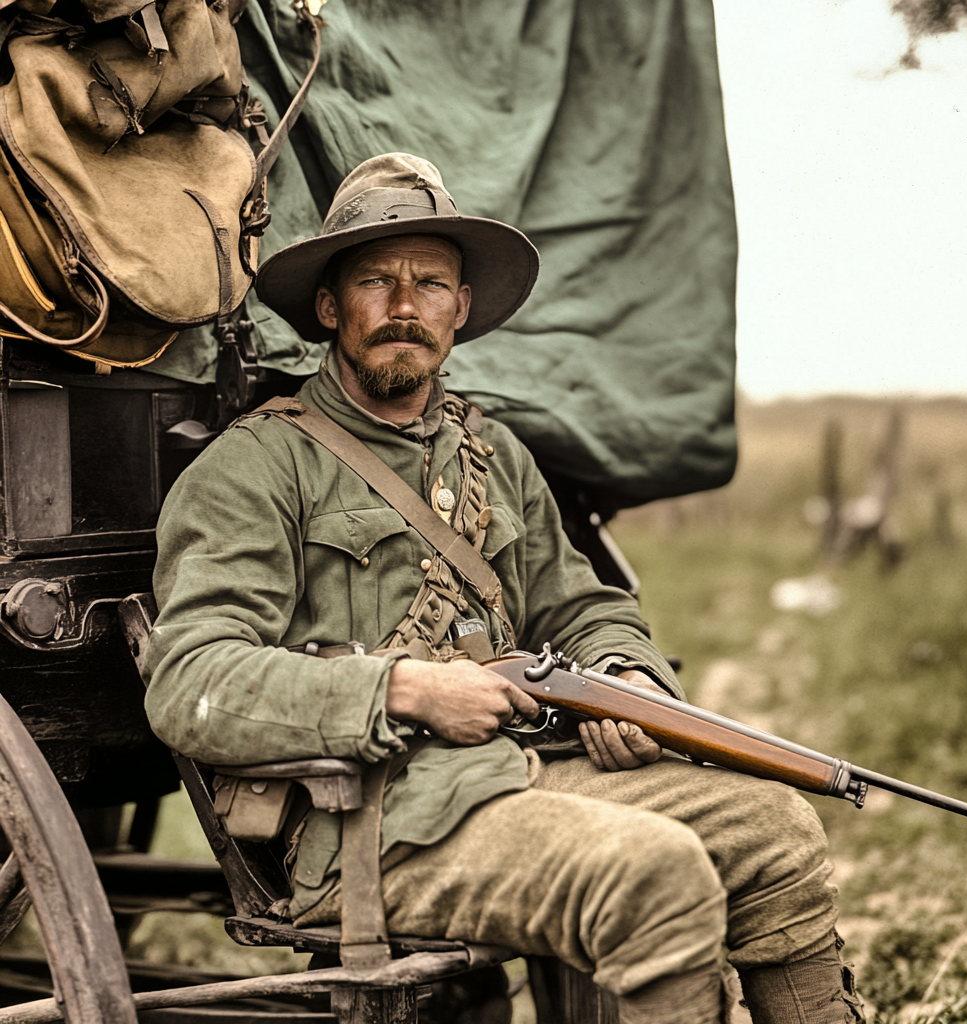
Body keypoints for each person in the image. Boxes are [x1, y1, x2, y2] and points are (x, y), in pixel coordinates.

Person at [144, 153, 864, 1024]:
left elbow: (579, 602)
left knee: (776, 833)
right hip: (377, 824)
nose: (405, 306)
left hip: (518, 773)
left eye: (432, 284)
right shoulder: (254, 469)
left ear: (462, 308)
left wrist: (625, 678)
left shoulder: (492, 453)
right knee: (654, 876)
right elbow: (192, 683)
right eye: (376, 281)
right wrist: (403, 688)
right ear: (330, 308)